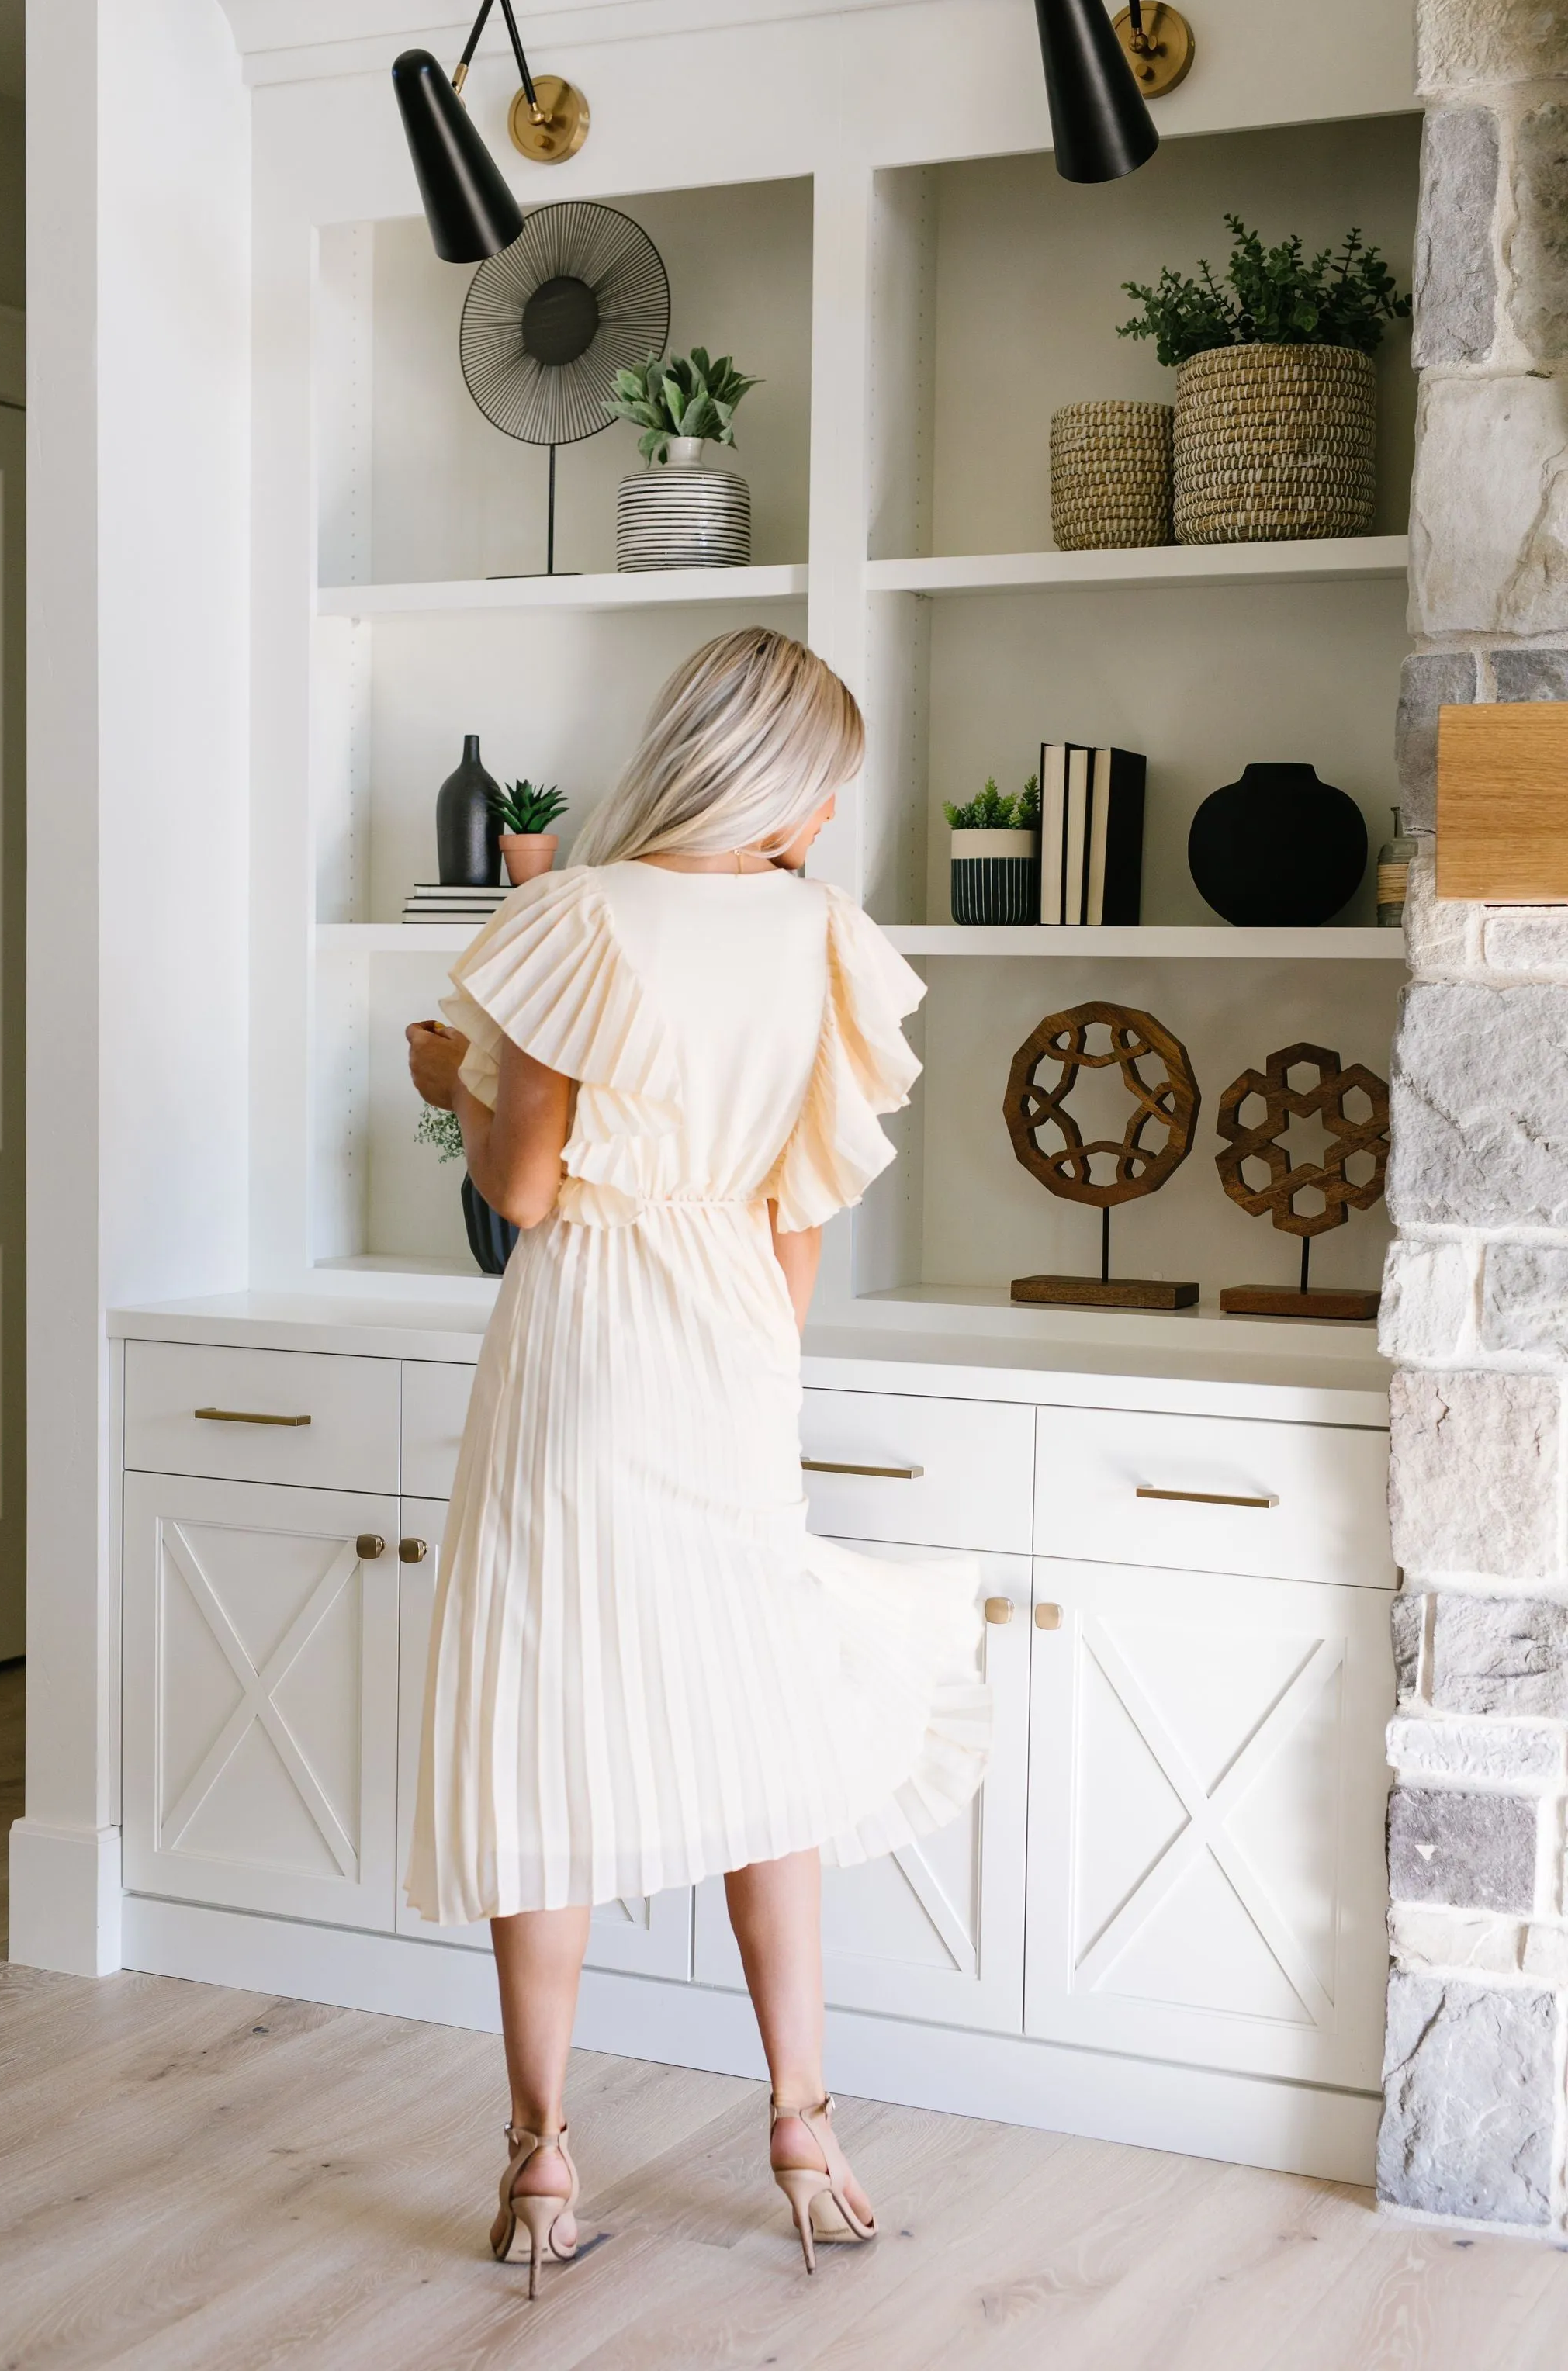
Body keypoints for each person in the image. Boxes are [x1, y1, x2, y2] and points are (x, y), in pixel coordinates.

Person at [405, 626, 989, 2293]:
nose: (826, 821)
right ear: (770, 779)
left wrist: (462, 1079)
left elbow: (521, 1195)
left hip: (587, 1333)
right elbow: (801, 1208)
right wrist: (757, 1371)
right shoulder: (820, 937)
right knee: (761, 1734)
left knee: (545, 1734)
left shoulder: (572, 914)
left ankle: (539, 2160)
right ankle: (803, 2129)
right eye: (824, 787)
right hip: (735, 1343)